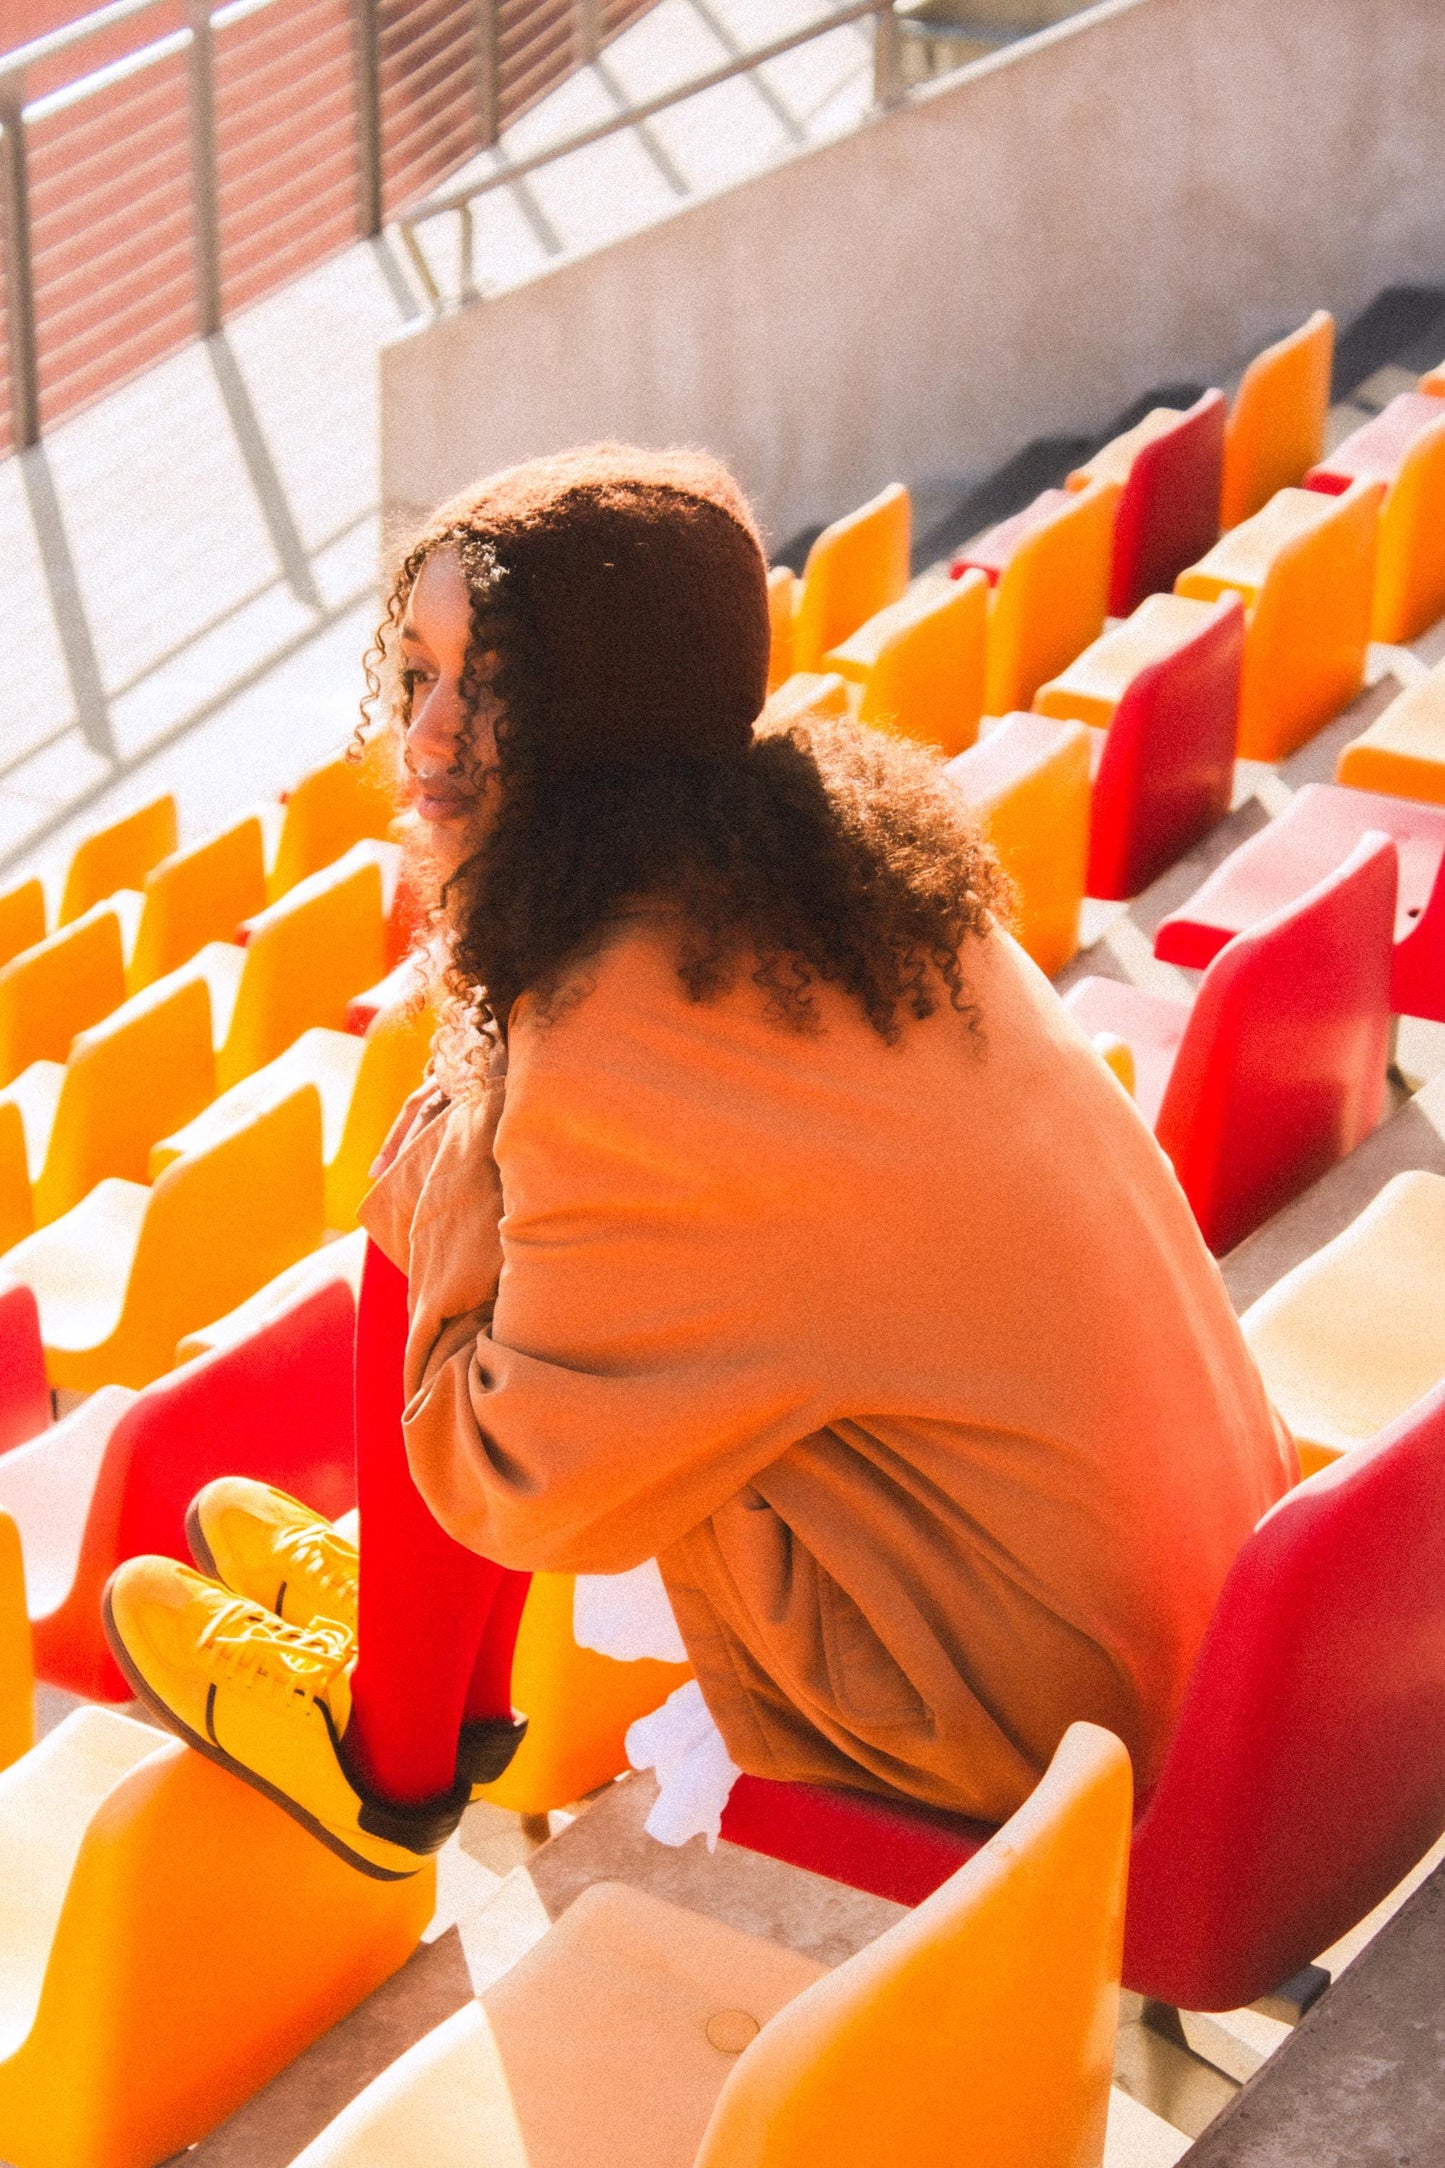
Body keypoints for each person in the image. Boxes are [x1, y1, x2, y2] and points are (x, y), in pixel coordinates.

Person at [104, 444, 1297, 1878]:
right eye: (414, 675)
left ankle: (391, 1755)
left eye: (490, 694)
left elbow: (526, 1486)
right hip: (1201, 1611)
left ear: (603, 719)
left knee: (437, 1176)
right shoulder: (850, 887)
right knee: (479, 1163)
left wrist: (462, 1146)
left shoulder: (628, 1023)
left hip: (1028, 1698)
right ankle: (415, 1678)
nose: (422, 742)